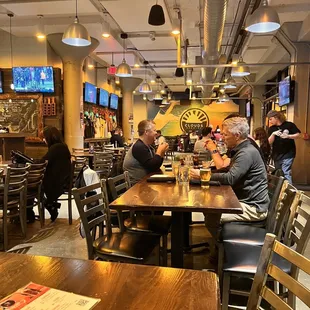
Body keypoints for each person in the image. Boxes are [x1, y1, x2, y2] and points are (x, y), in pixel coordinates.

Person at [191, 117, 269, 223]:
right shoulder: (242, 149)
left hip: (253, 208)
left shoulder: (246, 152)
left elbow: (230, 178)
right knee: (209, 204)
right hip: (245, 201)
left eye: (225, 135)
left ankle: (219, 239)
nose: (222, 138)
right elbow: (226, 170)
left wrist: (202, 175)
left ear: (237, 135)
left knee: (212, 213)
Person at [123, 120, 169, 184]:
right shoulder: (139, 147)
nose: (156, 133)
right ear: (146, 132)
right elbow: (152, 167)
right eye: (154, 130)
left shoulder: (147, 146)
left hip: (145, 182)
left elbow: (156, 166)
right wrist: (159, 151)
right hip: (136, 187)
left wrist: (162, 152)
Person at [42, 126, 71, 222]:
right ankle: (50, 204)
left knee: (32, 186)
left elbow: (43, 161)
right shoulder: (63, 146)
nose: (43, 140)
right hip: (64, 180)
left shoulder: (55, 148)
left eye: (44, 137)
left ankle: (49, 204)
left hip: (57, 183)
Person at [267, 110, 301, 183]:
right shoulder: (271, 129)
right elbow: (269, 142)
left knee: (286, 172)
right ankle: (279, 191)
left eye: (270, 119)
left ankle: (288, 192)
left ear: (276, 117)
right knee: (278, 173)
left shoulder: (289, 125)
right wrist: (273, 134)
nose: (270, 121)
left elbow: (298, 135)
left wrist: (288, 136)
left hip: (288, 153)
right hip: (276, 154)